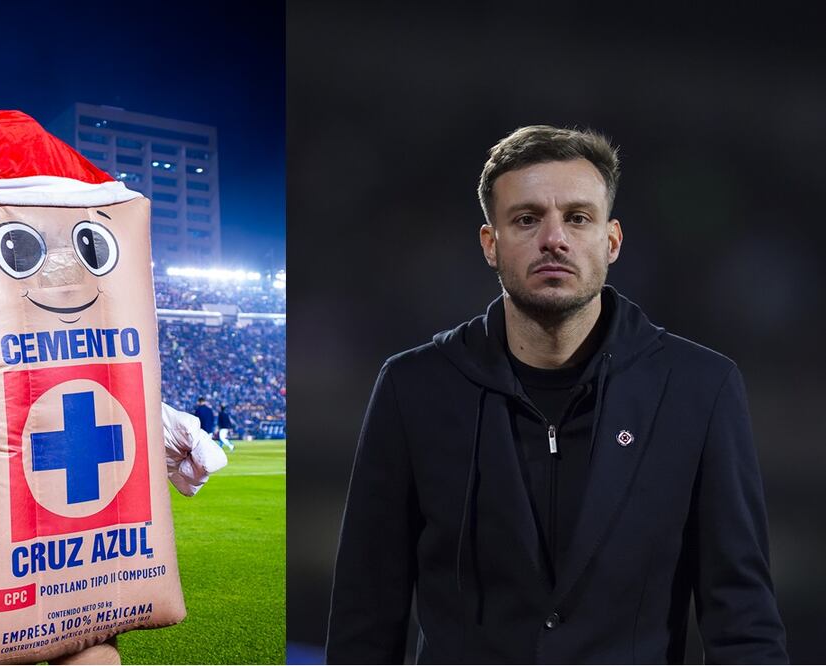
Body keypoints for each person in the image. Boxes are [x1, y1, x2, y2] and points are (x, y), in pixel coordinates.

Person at [326, 126, 787, 664]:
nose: (554, 239)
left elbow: (743, 621)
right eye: (526, 219)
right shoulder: (413, 387)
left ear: (611, 241)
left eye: (577, 217)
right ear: (489, 243)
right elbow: (365, 615)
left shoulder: (700, 388)